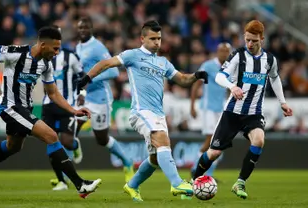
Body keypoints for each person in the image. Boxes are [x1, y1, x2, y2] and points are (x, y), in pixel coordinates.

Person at [0, 26, 101, 198]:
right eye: (55, 48)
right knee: (52, 136)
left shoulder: (45, 64)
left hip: (25, 108)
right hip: (10, 107)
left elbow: (52, 93)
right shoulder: (16, 53)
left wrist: (73, 110)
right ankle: (80, 184)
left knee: (13, 146)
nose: (57, 52)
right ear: (43, 44)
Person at [77, 20, 208, 201]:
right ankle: (177, 183)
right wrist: (86, 78)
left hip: (157, 113)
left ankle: (132, 186)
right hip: (140, 111)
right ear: (142, 38)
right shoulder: (133, 55)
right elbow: (106, 63)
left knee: (155, 158)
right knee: (162, 140)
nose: (157, 42)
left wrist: (196, 76)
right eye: (153, 38)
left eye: (159, 38)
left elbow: (182, 79)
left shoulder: (163, 62)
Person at [192, 20, 293, 199]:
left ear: (262, 39)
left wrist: (282, 102)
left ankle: (240, 182)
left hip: (253, 113)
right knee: (213, 152)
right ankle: (193, 181)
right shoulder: (238, 56)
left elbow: (275, 78)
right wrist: (232, 87)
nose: (250, 44)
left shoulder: (270, 60)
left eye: (254, 40)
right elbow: (219, 77)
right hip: (232, 112)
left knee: (259, 140)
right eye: (247, 40)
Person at [74, 16, 134, 182]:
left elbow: (114, 72)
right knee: (70, 130)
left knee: (101, 139)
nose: (82, 30)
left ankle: (127, 161)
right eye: (80, 28)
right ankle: (64, 175)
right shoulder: (78, 47)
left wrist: (90, 79)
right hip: (84, 98)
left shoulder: (97, 47)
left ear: (91, 29)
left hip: (100, 98)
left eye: (85, 28)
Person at [42, 42, 86, 191]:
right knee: (50, 141)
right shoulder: (42, 57)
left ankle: (75, 145)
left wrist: (82, 93)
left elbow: (82, 77)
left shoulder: (71, 57)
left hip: (67, 104)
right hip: (48, 105)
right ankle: (62, 181)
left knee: (66, 141)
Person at [190, 43, 231, 179]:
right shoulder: (208, 66)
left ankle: (208, 172)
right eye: (222, 51)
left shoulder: (229, 68)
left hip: (221, 109)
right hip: (208, 108)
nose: (224, 54)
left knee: (219, 142)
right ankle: (196, 167)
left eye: (227, 51)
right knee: (210, 140)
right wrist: (192, 105)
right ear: (217, 52)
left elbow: (231, 89)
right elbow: (196, 85)